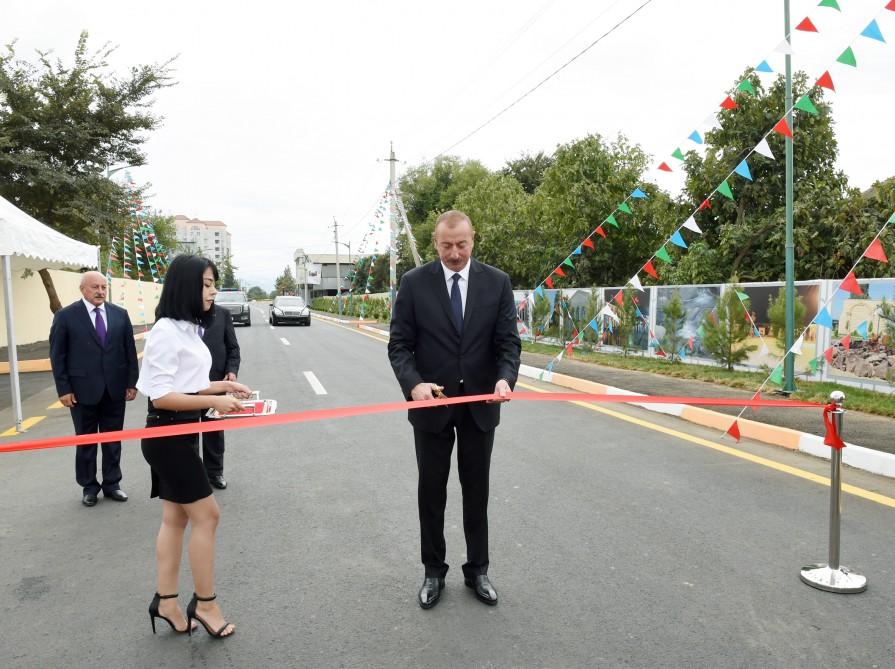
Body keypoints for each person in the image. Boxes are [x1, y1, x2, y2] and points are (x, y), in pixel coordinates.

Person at [388, 210, 521, 609]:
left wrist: (504, 379)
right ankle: (433, 571)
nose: (455, 253)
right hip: (432, 408)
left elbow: (508, 344)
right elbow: (399, 346)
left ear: (473, 239)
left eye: (462, 244)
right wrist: (414, 384)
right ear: (435, 243)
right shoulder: (414, 284)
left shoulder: (496, 283)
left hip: (481, 404)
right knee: (432, 491)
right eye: (447, 246)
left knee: (476, 491)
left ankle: (477, 570)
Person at [137, 254, 252, 638]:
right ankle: (206, 604)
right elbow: (160, 396)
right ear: (186, 286)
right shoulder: (166, 332)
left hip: (181, 434)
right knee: (208, 516)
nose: (213, 290)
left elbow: (190, 383)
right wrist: (212, 402)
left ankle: (166, 602)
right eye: (206, 284)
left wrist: (222, 387)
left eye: (214, 283)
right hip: (167, 437)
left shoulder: (187, 329)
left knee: (176, 519)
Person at [49, 271, 139, 507]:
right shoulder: (66, 316)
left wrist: (131, 383)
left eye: (103, 287)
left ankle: (112, 484)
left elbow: (129, 351)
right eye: (94, 287)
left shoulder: (120, 315)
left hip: (115, 389)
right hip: (81, 391)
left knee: (113, 440)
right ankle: (89, 487)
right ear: (82, 290)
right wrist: (63, 389)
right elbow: (58, 356)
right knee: (86, 441)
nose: (100, 291)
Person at [198, 301, 241, 489]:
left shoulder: (222, 314)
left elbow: (233, 348)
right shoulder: (180, 315)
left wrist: (231, 371)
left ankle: (214, 473)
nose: (211, 291)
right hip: (185, 387)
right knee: (186, 431)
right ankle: (192, 474)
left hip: (215, 382)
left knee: (213, 431)